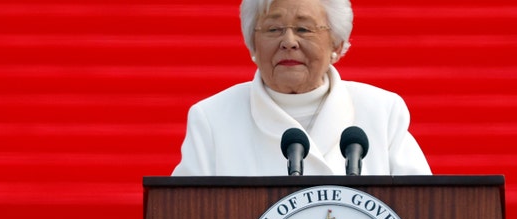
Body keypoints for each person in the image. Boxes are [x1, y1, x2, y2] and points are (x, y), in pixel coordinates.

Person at [172, 0, 431, 176]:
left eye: (304, 29)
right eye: (273, 29)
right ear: (252, 43)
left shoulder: (382, 112)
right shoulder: (212, 119)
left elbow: (424, 210)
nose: (288, 42)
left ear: (337, 45)